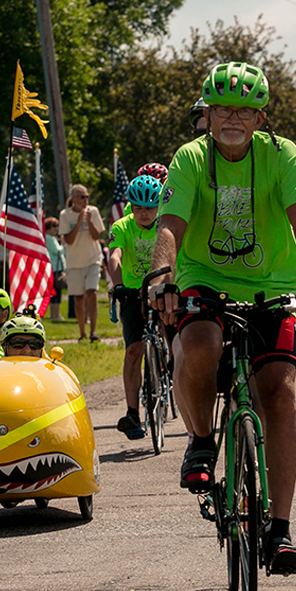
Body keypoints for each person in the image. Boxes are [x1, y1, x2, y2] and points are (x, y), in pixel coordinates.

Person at [147, 61, 296, 574]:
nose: (233, 118)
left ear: (260, 118)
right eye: (224, 109)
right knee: (201, 345)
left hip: (272, 285)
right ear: (207, 115)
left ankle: (280, 529)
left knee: (281, 393)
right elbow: (171, 224)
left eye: (245, 111)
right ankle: (201, 442)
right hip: (205, 278)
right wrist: (160, 276)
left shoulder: (282, 155)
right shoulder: (191, 158)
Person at [108, 174, 164, 440]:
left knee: (179, 342)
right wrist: (118, 284)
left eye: (150, 208)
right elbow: (115, 255)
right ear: (131, 206)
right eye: (138, 207)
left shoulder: (166, 225)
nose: (144, 213)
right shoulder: (121, 226)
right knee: (133, 351)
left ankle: (170, 372)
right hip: (133, 293)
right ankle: (132, 412)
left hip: (162, 290)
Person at [59, 184, 106, 342]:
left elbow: (96, 236)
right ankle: (82, 333)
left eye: (87, 197)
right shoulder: (65, 215)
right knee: (78, 298)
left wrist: (89, 221)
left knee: (92, 294)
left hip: (93, 258)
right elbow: (69, 240)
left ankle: (93, 332)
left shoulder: (94, 211)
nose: (85, 200)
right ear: (73, 199)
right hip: (74, 262)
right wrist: (79, 222)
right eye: (82, 197)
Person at [43, 216, 66, 320]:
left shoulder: (51, 238)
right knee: (56, 293)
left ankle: (55, 314)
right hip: (54, 269)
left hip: (54, 268)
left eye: (57, 226)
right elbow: (58, 251)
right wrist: (63, 243)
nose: (56, 228)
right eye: (53, 226)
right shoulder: (48, 239)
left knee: (55, 292)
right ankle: (55, 314)